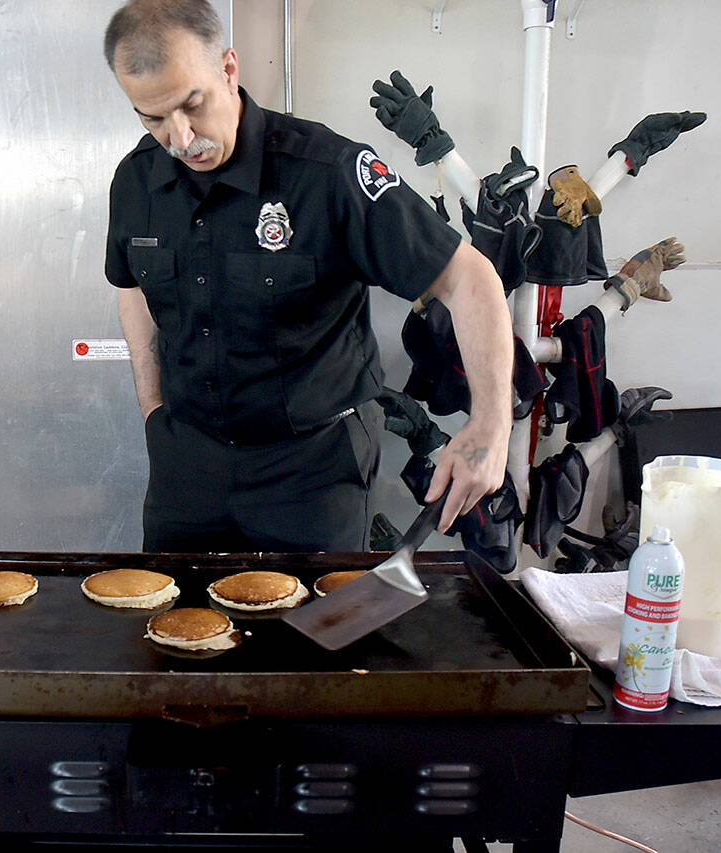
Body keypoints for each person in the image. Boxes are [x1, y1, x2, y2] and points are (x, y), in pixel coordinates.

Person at [103, 0, 512, 552]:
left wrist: (491, 424)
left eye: (191, 105)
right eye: (153, 118)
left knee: (312, 635)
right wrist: (153, 412)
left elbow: (470, 277)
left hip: (311, 469)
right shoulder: (135, 181)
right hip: (187, 462)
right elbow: (133, 289)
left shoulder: (328, 172)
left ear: (228, 69)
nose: (179, 138)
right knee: (174, 628)